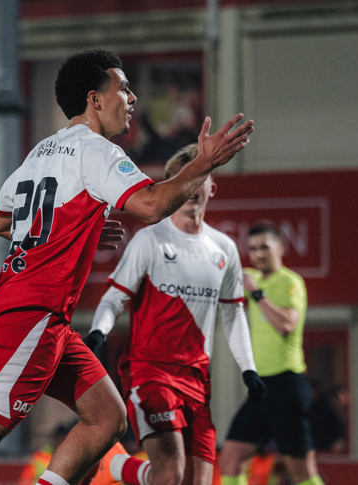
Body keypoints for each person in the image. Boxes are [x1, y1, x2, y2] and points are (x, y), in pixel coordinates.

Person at [0, 49, 254, 485]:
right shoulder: (96, 151)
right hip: (30, 315)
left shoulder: (41, 151)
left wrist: (80, 227)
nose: (132, 98)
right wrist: (204, 163)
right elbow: (151, 205)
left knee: (108, 417)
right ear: (95, 99)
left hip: (39, 317)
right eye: (123, 87)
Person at [84, 143, 265, 485]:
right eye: (183, 180)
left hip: (197, 379)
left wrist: (249, 370)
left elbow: (233, 315)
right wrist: (99, 332)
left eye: (200, 178)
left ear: (212, 186)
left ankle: (116, 467)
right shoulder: (150, 240)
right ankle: (115, 467)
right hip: (150, 370)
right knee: (171, 473)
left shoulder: (224, 248)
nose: (192, 187)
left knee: (198, 481)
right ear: (172, 188)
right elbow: (115, 297)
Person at [219, 224, 325, 485]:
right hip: (261, 387)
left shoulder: (290, 282)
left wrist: (257, 294)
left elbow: (286, 325)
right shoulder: (252, 278)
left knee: (302, 471)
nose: (258, 254)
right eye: (253, 249)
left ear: (279, 248)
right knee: (231, 459)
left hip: (287, 384)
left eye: (264, 247)